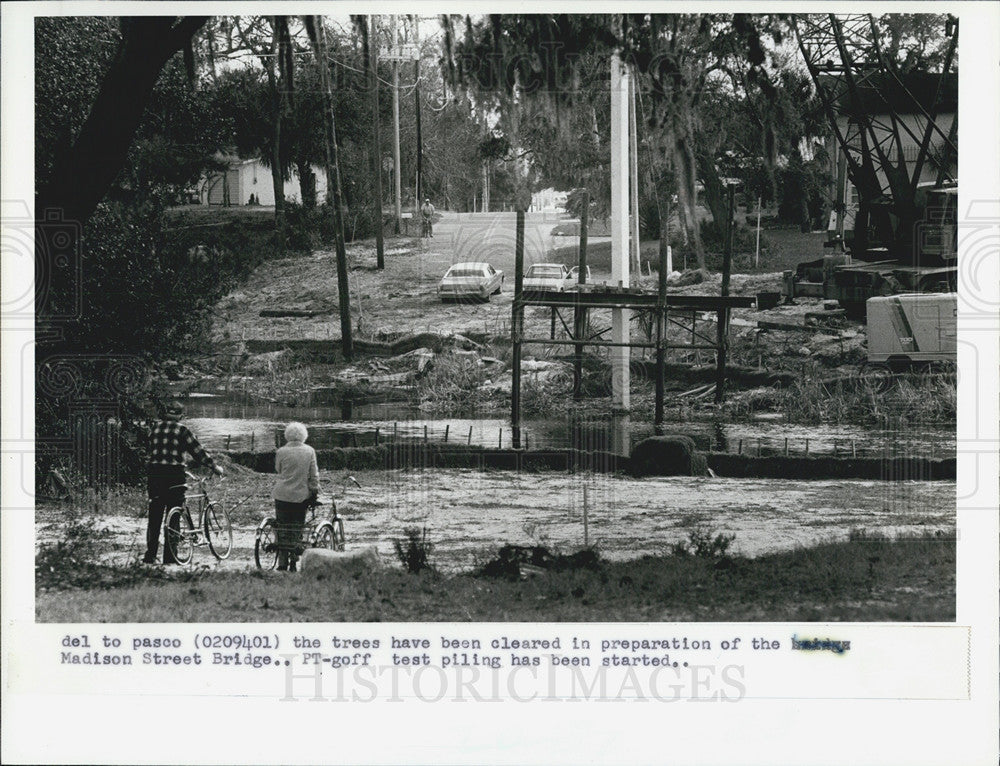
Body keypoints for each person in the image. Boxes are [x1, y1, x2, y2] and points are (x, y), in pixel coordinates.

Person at [145, 400, 223, 564]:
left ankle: (150, 554)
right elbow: (198, 452)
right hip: (174, 475)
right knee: (174, 513)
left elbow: (149, 450)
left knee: (155, 514)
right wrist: (215, 467)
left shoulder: (154, 428)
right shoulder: (182, 430)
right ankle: (170, 556)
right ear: (180, 415)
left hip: (154, 475)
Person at [272, 422, 320, 572]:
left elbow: (278, 470)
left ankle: (282, 563)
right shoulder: (309, 451)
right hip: (300, 495)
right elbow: (314, 475)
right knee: (296, 528)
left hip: (281, 495)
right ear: (304, 435)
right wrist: (314, 490)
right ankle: (294, 561)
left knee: (282, 527)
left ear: (287, 435)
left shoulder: (281, 451)